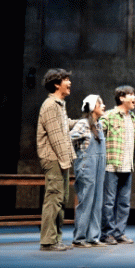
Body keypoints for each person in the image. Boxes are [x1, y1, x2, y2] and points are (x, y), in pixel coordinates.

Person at [37, 68, 77, 251]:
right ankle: (48, 241)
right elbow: (56, 137)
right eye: (66, 79)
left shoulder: (60, 104)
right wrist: (66, 160)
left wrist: (85, 121)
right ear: (56, 84)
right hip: (53, 158)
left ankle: (56, 239)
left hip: (60, 158)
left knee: (62, 198)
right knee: (54, 198)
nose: (69, 82)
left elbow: (65, 124)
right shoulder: (50, 105)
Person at [100, 85, 135, 245]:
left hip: (127, 165)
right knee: (109, 201)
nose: (134, 97)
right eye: (131, 94)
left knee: (124, 202)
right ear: (122, 98)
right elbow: (97, 131)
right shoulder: (109, 115)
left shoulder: (133, 117)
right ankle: (106, 233)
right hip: (112, 165)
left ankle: (119, 233)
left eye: (134, 94)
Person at [70, 95, 107, 248]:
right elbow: (68, 139)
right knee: (86, 202)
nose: (103, 106)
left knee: (97, 202)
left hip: (99, 167)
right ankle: (79, 238)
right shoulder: (83, 124)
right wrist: (75, 156)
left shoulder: (99, 125)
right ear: (92, 107)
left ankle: (93, 237)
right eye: (100, 103)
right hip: (87, 167)